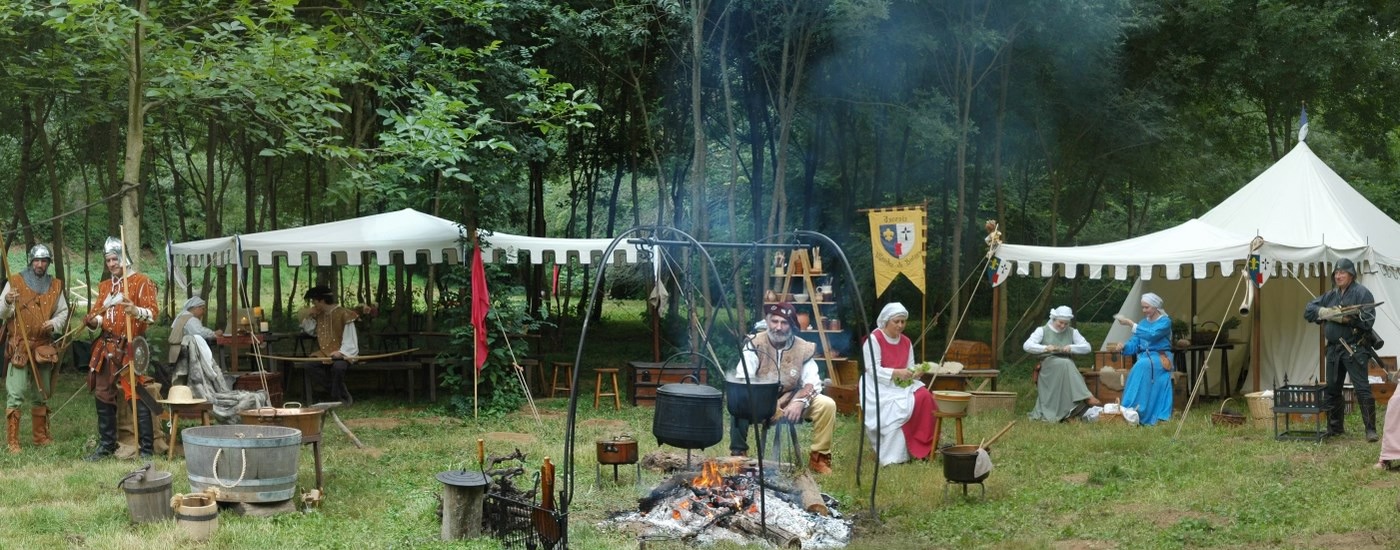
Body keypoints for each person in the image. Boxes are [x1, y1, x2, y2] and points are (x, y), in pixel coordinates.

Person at [730, 302, 837, 474]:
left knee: (827, 404)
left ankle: (819, 458)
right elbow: (744, 379)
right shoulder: (754, 344)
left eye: (784, 322)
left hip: (792, 402)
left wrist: (799, 402)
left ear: (791, 325)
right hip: (759, 402)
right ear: (768, 322)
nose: (778, 327)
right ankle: (739, 455)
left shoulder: (803, 347)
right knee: (738, 401)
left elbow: (812, 382)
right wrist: (769, 406)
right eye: (775, 321)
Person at [83, 237, 160, 460]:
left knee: (135, 393)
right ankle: (107, 445)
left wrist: (135, 310)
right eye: (108, 260)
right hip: (106, 346)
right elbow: (100, 316)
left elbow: (153, 313)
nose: (112, 263)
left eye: (115, 258)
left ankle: (146, 449)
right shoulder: (106, 286)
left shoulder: (141, 281)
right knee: (102, 392)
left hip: (129, 347)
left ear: (124, 258)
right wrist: (93, 322)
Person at [0, 244, 68, 453]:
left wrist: (54, 324)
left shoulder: (55, 285)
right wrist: (8, 300)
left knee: (41, 393)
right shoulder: (15, 281)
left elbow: (63, 312)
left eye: (44, 261)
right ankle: (13, 442)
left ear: (48, 263)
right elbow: (2, 313)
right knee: (16, 392)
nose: (40, 264)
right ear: (31, 261)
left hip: (43, 347)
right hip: (20, 346)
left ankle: (40, 437)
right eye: (37, 261)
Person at [1304, 258, 1379, 441]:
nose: (1338, 276)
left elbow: (1368, 321)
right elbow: (1309, 310)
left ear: (1351, 275)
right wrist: (1326, 313)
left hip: (1354, 348)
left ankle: (1370, 430)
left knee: (1361, 389)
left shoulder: (1362, 293)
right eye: (1336, 273)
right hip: (1334, 350)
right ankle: (1335, 428)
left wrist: (1345, 318)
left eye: (1342, 273)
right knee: (1333, 389)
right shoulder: (1331, 295)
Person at [860, 302, 936, 465]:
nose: (901, 325)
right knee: (898, 407)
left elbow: (909, 367)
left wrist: (915, 372)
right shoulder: (874, 339)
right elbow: (872, 369)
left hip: (901, 383)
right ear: (886, 321)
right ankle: (894, 457)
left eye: (903, 321)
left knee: (925, 397)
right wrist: (896, 372)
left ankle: (923, 447)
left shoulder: (907, 341)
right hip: (878, 385)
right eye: (897, 321)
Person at [1025, 306, 1099, 422]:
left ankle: (1070, 412)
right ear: (1054, 319)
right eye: (1060, 322)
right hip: (1048, 364)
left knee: (1066, 363)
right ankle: (1087, 396)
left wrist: (1071, 347)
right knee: (1067, 363)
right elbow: (1027, 345)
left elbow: (1087, 348)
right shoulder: (1042, 330)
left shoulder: (1072, 332)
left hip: (1065, 365)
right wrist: (1045, 348)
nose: (1063, 326)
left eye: (1066, 323)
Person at [1112, 292, 1174, 426]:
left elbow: (1152, 335)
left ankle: (1132, 410)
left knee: (1140, 366)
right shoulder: (1142, 323)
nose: (1144, 310)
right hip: (1145, 358)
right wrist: (1124, 346)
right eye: (1143, 307)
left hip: (1160, 357)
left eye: (1147, 307)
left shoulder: (1165, 321)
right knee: (1141, 365)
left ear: (1155, 307)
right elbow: (1135, 343)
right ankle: (1131, 411)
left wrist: (1130, 323)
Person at [300, 285, 359, 405]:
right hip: (324, 353)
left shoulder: (344, 314)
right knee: (309, 365)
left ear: (322, 300)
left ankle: (337, 396)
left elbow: (350, 339)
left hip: (343, 353)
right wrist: (309, 315)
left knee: (338, 367)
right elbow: (311, 331)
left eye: (314, 301)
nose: (313, 304)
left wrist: (341, 353)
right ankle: (338, 392)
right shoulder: (319, 315)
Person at [167, 296, 219, 387]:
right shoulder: (191, 319)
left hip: (176, 349)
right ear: (196, 308)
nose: (203, 312)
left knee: (180, 378)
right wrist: (214, 333)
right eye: (202, 309)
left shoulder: (182, 316)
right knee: (185, 377)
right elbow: (199, 332)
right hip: (182, 351)